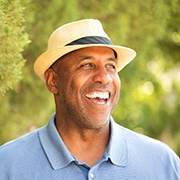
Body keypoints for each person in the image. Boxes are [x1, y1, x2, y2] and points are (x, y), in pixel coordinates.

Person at [0, 19, 179, 180]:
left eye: (111, 66)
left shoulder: (163, 164)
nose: (104, 77)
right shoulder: (8, 165)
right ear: (53, 81)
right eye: (87, 65)